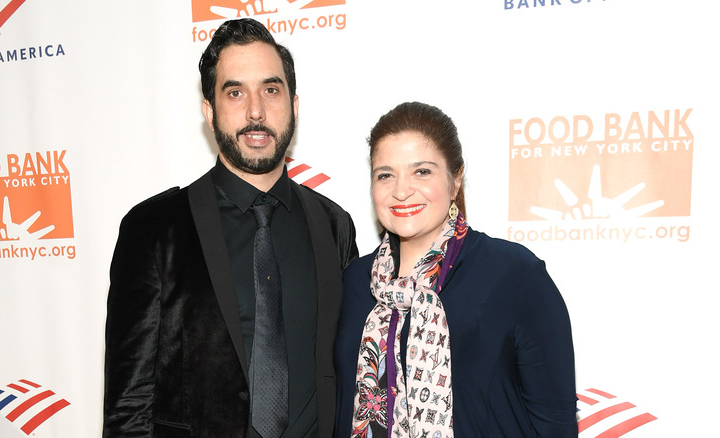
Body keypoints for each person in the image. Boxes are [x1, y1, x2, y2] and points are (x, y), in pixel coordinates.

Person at [103, 18, 358, 437]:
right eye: (235, 92)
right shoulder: (153, 230)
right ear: (209, 110)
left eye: (271, 90)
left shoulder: (334, 226)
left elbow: (353, 373)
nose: (256, 111)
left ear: (294, 106)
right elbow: (128, 406)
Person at [334, 102, 577, 437]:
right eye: (386, 174)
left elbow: (556, 423)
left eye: (422, 171)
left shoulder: (514, 274)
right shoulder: (354, 282)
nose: (402, 190)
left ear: (455, 179)